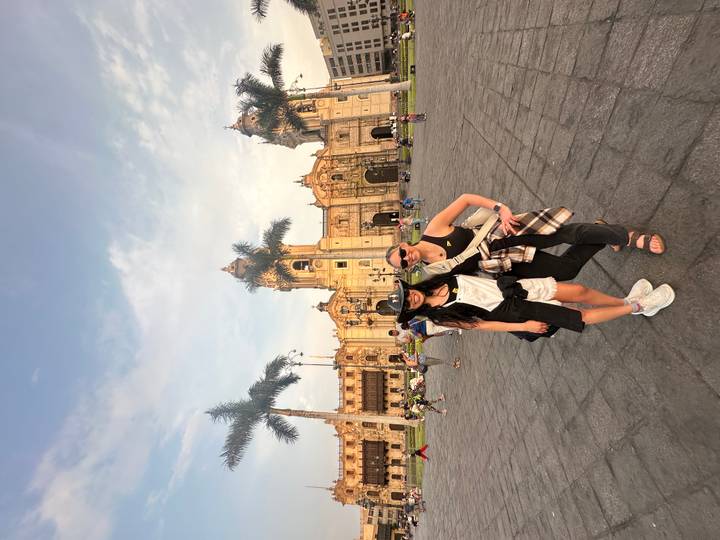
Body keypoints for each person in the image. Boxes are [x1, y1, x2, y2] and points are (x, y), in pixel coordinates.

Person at [385, 193, 666, 282]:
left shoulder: (434, 228)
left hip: (503, 235)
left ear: (403, 244)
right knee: (565, 271)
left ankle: (629, 237)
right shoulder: (433, 272)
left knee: (567, 234)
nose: (406, 259)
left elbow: (466, 199)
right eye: (404, 265)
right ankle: (603, 232)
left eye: (402, 254)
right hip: (502, 265)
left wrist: (501, 209)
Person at [386, 274, 674, 339]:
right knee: (579, 316)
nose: (410, 298)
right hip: (514, 312)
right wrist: (523, 326)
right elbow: (482, 324)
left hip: (517, 288)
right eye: (407, 304)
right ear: (411, 312)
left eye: (406, 293)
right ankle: (639, 306)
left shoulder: (441, 276)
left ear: (410, 287)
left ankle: (624, 300)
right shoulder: (441, 316)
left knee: (578, 291)